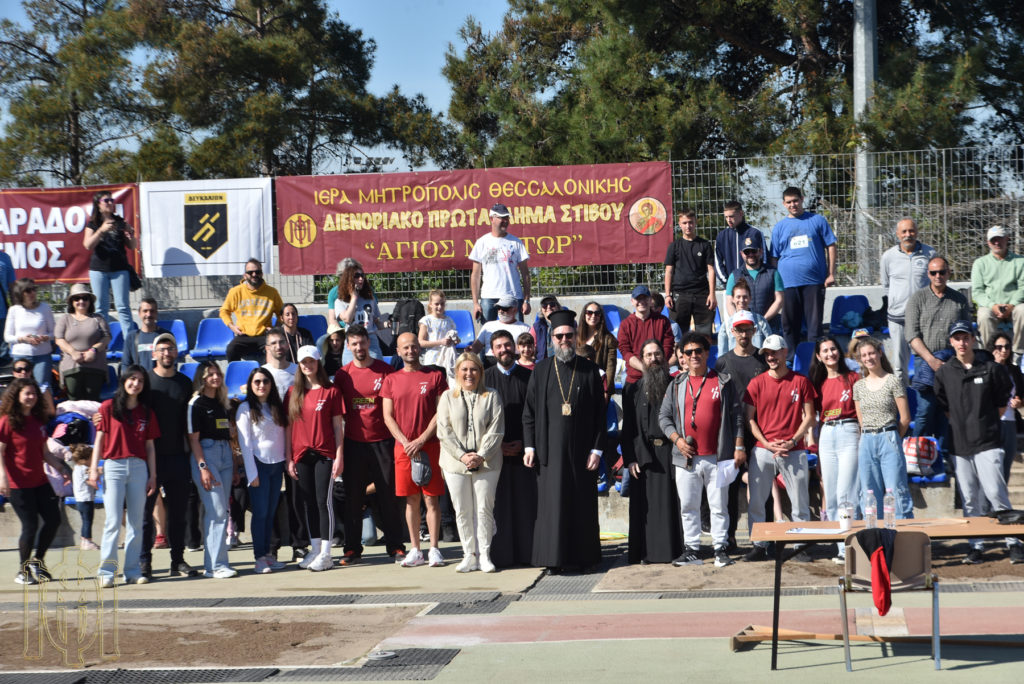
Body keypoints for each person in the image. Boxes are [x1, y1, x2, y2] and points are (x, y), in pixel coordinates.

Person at [935, 321, 1024, 564]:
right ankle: (976, 546)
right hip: (960, 445)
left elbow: (1002, 402)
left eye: (966, 337)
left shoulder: (990, 368)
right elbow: (944, 406)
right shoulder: (944, 372)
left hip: (988, 441)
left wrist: (984, 422)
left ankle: (1013, 542)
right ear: (951, 342)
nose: (962, 342)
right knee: (969, 499)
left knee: (996, 493)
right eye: (957, 338)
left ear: (973, 339)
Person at [522, 309, 605, 572]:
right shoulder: (541, 370)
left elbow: (600, 414)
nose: (564, 340)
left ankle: (584, 558)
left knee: (581, 504)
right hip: (550, 452)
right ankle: (553, 559)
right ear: (552, 338)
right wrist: (529, 446)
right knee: (553, 506)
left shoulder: (590, 370)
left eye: (569, 335)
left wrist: (597, 449)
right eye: (559, 336)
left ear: (575, 336)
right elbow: (529, 413)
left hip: (583, 452)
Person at [658, 332, 744, 568]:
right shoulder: (676, 384)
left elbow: (737, 416)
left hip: (718, 456)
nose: (694, 355)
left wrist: (738, 446)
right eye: (688, 352)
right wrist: (677, 440)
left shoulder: (723, 381)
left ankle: (720, 549)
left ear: (707, 353)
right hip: (686, 457)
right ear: (683, 357)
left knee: (719, 506)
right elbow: (663, 417)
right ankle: (692, 550)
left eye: (698, 351)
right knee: (688, 506)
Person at [333, 324, 407, 564]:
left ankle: (396, 546)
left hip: (383, 443)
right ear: (348, 346)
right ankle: (352, 549)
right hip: (354, 444)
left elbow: (396, 408)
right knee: (353, 499)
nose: (359, 347)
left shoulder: (385, 370)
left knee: (388, 496)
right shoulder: (343, 375)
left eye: (362, 342)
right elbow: (338, 414)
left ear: (368, 343)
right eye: (354, 343)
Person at [742, 335, 817, 562]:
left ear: (785, 352)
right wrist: (766, 443)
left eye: (774, 352)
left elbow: (810, 416)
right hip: (763, 449)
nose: (770, 357)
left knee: (800, 501)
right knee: (756, 501)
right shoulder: (756, 383)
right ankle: (759, 544)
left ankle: (800, 546)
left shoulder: (801, 381)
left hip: (793, 449)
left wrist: (792, 441)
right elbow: (749, 419)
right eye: (767, 353)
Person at [382, 332, 448, 567]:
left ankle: (434, 549)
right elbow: (388, 417)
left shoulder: (435, 376)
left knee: (431, 499)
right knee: (411, 500)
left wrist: (420, 440)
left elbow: (441, 412)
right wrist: (405, 442)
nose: (410, 351)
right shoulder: (391, 380)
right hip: (403, 449)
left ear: (419, 348)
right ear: (398, 351)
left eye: (413, 346)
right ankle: (416, 550)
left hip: (430, 446)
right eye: (405, 348)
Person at [90, 365, 159, 586]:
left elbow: (150, 446)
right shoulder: (108, 407)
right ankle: (106, 572)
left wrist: (153, 475)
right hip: (114, 466)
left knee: (136, 523)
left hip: (139, 468)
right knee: (112, 521)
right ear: (123, 381)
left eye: (140, 380)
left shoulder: (146, 412)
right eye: (132, 379)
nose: (135, 384)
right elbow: (99, 440)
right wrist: (93, 468)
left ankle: (132, 570)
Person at [437, 352, 505, 572]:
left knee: (484, 508)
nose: (469, 374)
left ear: (480, 372)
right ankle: (469, 554)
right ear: (457, 372)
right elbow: (444, 430)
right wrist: (462, 455)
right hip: (455, 463)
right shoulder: (447, 397)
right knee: (462, 510)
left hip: (487, 462)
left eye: (473, 369)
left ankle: (484, 554)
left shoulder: (491, 395)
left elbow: (496, 429)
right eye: (464, 369)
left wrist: (480, 455)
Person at [620, 340, 683, 564]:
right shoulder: (632, 389)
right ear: (642, 359)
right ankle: (645, 554)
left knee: (670, 506)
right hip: (642, 456)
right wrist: (630, 459)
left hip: (670, 454)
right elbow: (628, 429)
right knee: (644, 509)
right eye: (648, 355)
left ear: (664, 358)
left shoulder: (676, 385)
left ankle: (673, 552)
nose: (653, 359)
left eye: (657, 354)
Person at [0, 377, 68, 584]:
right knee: (30, 526)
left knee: (53, 520)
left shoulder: (38, 420)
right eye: (27, 394)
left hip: (40, 480)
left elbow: (44, 452)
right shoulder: (7, 421)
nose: (31, 397)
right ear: (17, 396)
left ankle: (38, 561)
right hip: (18, 484)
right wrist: (2, 477)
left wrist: (62, 468)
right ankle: (23, 571)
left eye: (34, 394)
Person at [141, 333, 198, 579]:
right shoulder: (145, 382)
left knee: (178, 514)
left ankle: (178, 560)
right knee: (145, 515)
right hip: (150, 459)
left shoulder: (185, 383)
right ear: (154, 354)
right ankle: (144, 562)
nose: (166, 353)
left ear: (176, 352)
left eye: (170, 348)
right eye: (162, 349)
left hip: (178, 457)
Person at [906, 256, 970, 473]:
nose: (938, 276)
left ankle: (942, 457)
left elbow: (966, 332)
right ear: (928, 274)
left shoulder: (959, 300)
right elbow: (911, 335)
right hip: (925, 360)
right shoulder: (917, 299)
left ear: (949, 273)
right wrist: (931, 360)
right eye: (933, 273)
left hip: (952, 361)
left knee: (946, 410)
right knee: (924, 410)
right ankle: (914, 456)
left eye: (942, 272)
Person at [286, 346, 344, 572]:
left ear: (318, 362)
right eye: (303, 362)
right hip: (301, 454)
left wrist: (339, 456)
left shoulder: (331, 391)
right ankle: (316, 548)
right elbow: (289, 428)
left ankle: (327, 554)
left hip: (324, 454)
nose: (307, 365)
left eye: (311, 361)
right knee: (308, 503)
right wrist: (289, 458)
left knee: (323, 502)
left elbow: (338, 427)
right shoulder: (293, 392)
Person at [714, 311, 768, 550]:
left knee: (762, 486)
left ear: (754, 331)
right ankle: (730, 537)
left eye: (748, 329)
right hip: (731, 432)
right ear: (732, 332)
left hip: (760, 431)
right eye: (739, 330)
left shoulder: (763, 360)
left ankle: (764, 538)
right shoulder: (723, 362)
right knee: (730, 486)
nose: (744, 334)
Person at [484, 330, 537, 568]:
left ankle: (528, 555)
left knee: (526, 506)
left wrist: (526, 443)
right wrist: (498, 446)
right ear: (492, 350)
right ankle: (500, 556)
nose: (504, 350)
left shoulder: (530, 377)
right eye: (498, 346)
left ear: (514, 347)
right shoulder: (484, 379)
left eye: (507, 345)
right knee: (500, 508)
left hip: (525, 454)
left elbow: (536, 416)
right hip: (495, 455)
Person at [808, 336, 860, 562]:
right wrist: (817, 452)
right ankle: (841, 549)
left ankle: (853, 547)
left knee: (847, 492)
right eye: (825, 351)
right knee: (830, 493)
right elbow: (815, 419)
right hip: (827, 434)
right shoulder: (817, 383)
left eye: (833, 349)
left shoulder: (854, 378)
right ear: (818, 356)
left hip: (849, 430)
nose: (830, 354)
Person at [187, 361, 239, 579]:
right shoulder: (196, 404)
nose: (215, 377)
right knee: (216, 511)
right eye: (210, 374)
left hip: (225, 455)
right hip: (207, 455)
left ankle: (216, 564)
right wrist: (203, 467)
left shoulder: (222, 402)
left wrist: (234, 466)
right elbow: (193, 439)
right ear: (202, 378)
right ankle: (215, 566)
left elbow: (229, 436)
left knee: (222, 511)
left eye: (218, 373)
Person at [769, 187, 837, 351]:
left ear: (802, 199)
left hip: (814, 282)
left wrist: (831, 274)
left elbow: (831, 246)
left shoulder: (817, 220)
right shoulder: (779, 227)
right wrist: (776, 284)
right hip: (788, 284)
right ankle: (791, 360)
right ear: (784, 204)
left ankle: (814, 360)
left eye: (795, 201)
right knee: (789, 326)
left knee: (814, 327)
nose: (793, 205)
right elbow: (774, 258)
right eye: (789, 202)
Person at [853, 337, 913, 520]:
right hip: (867, 440)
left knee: (896, 489)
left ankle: (902, 530)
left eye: (871, 353)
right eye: (864, 355)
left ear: (879, 353)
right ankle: (874, 532)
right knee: (869, 491)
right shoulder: (858, 386)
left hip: (888, 436)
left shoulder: (893, 381)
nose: (868, 358)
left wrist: (893, 438)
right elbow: (861, 420)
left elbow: (905, 418)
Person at [237, 367, 288, 574]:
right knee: (260, 513)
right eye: (257, 381)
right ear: (250, 385)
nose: (261, 385)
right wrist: (252, 473)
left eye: (265, 381)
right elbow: (245, 443)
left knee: (270, 513)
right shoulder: (245, 408)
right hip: (258, 465)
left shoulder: (276, 406)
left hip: (277, 465)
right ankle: (259, 558)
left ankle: (267, 555)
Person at [880, 219, 935, 382]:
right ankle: (902, 398)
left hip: (922, 318)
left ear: (916, 232)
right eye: (903, 231)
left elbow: (935, 283)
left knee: (924, 362)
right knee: (899, 366)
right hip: (897, 318)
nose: (908, 235)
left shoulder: (930, 254)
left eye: (911, 231)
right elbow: (886, 285)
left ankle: (922, 395)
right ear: (897, 234)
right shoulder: (888, 257)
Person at [82, 190, 137, 334]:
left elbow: (132, 246)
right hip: (99, 270)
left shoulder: (120, 222)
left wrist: (131, 234)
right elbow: (87, 245)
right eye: (106, 201)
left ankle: (129, 341)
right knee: (101, 308)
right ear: (98, 205)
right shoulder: (93, 224)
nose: (110, 203)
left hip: (119, 269)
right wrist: (101, 230)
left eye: (111, 200)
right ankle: (103, 341)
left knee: (123, 307)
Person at [470, 203, 531, 322]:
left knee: (517, 332)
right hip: (489, 297)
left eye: (507, 218)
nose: (505, 221)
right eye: (501, 218)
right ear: (491, 219)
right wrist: (475, 303)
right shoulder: (482, 242)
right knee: (488, 332)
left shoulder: (516, 242)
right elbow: (475, 275)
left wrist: (526, 300)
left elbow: (526, 274)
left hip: (514, 296)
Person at [972, 225, 1024, 354]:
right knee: (983, 315)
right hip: (991, 306)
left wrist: (1011, 305)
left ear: (1007, 239)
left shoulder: (1020, 262)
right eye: (993, 240)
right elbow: (978, 292)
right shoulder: (980, 263)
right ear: (988, 242)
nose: (997, 243)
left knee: (1023, 311)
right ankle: (990, 353)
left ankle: (1018, 352)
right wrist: (992, 306)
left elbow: (1022, 287)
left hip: (1014, 306)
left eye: (1000, 239)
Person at [54, 283, 111, 401]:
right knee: (74, 401)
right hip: (71, 367)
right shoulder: (65, 319)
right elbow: (59, 339)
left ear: (90, 301)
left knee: (92, 402)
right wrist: (73, 352)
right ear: (71, 302)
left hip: (95, 366)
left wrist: (93, 350)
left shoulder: (98, 318)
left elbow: (107, 337)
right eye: (77, 298)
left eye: (85, 298)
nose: (81, 301)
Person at [663, 208, 716, 336]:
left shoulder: (705, 245)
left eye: (691, 222)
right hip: (680, 295)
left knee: (704, 337)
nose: (688, 226)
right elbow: (669, 271)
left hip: (702, 295)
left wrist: (712, 294)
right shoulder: (674, 246)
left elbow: (711, 270)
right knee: (678, 336)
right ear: (679, 224)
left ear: (695, 222)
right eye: (685, 223)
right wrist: (667, 295)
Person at [220, 258, 283, 361]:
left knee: (274, 350)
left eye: (257, 272)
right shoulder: (235, 292)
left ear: (262, 274)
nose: (254, 275)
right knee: (231, 350)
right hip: (243, 336)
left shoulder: (272, 292)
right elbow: (224, 311)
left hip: (264, 335)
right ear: (245, 275)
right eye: (250, 272)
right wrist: (232, 327)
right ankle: (236, 371)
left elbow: (282, 313)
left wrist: (275, 329)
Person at [618, 285, 675, 386]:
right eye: (638, 299)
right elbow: (625, 351)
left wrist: (656, 366)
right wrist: (644, 368)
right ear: (632, 301)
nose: (641, 302)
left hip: (659, 372)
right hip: (635, 375)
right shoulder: (625, 324)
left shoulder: (662, 321)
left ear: (650, 300)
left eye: (645, 298)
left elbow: (668, 346)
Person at [724, 241, 784, 332]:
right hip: (744, 330)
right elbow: (729, 302)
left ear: (761, 251)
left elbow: (779, 300)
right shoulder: (734, 275)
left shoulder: (773, 273)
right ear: (741, 254)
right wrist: (739, 321)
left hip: (771, 326)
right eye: (747, 252)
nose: (751, 255)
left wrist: (763, 320)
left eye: (754, 251)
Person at [5, 278, 54, 387]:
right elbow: (7, 337)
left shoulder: (45, 308)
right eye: (28, 290)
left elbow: (54, 333)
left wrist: (45, 337)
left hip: (42, 355)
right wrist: (23, 339)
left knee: (43, 387)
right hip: (21, 355)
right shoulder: (14, 310)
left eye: (34, 289)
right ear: (20, 293)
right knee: (22, 387)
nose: (32, 293)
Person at [334, 258, 384, 363]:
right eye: (357, 276)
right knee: (349, 371)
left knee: (378, 369)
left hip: (370, 341)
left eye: (362, 275)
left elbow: (378, 323)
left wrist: (388, 324)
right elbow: (347, 319)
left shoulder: (370, 299)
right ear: (348, 279)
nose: (361, 279)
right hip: (352, 341)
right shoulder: (340, 302)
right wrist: (354, 297)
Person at [989, 332, 1022, 485]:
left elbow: (1021, 395)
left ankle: (1002, 498)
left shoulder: (1014, 370)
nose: (1004, 350)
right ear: (992, 348)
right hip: (992, 422)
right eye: (999, 347)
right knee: (992, 466)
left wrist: (1019, 402)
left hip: (1010, 421)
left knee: (1006, 464)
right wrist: (995, 365)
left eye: (1007, 347)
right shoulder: (986, 368)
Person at [715, 200, 766, 288]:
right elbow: (717, 262)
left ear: (741, 213)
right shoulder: (721, 236)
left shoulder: (755, 233)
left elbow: (764, 258)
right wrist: (727, 282)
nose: (728, 220)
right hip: (731, 286)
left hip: (753, 284)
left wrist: (760, 279)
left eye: (731, 216)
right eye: (726, 217)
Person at [577, 301, 618, 401]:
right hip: (579, 386)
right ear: (584, 315)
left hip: (598, 387)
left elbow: (610, 368)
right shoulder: (575, 337)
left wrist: (606, 391)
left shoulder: (609, 339)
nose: (593, 316)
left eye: (597, 313)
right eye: (589, 312)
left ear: (601, 316)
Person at [717, 283, 772, 352]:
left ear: (750, 298)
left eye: (745, 297)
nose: (742, 300)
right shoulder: (727, 325)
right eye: (738, 297)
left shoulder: (760, 321)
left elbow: (770, 347)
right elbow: (722, 353)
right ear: (733, 299)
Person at [121, 298, 171, 372]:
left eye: (152, 311)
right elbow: (125, 365)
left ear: (156, 313)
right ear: (139, 313)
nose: (148, 314)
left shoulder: (165, 336)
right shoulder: (131, 337)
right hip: (139, 379)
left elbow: (171, 363)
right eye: (145, 311)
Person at [418, 289, 458, 378]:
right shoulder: (426, 320)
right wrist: (440, 342)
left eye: (442, 304)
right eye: (436, 304)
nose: (439, 307)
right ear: (430, 304)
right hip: (432, 360)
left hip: (447, 359)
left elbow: (457, 340)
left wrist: (455, 340)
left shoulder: (449, 321)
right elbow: (421, 342)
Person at [70, 444, 98, 550]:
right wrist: (95, 484)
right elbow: (89, 481)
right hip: (86, 499)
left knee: (85, 520)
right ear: (86, 459)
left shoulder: (77, 468)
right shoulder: (84, 469)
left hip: (79, 499)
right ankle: (88, 541)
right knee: (88, 521)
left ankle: (84, 541)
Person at [529, 296, 562, 362]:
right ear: (541, 310)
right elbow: (530, 347)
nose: (548, 307)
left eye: (552, 304)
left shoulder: (566, 323)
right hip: (543, 362)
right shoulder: (536, 327)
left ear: (558, 307)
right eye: (544, 305)